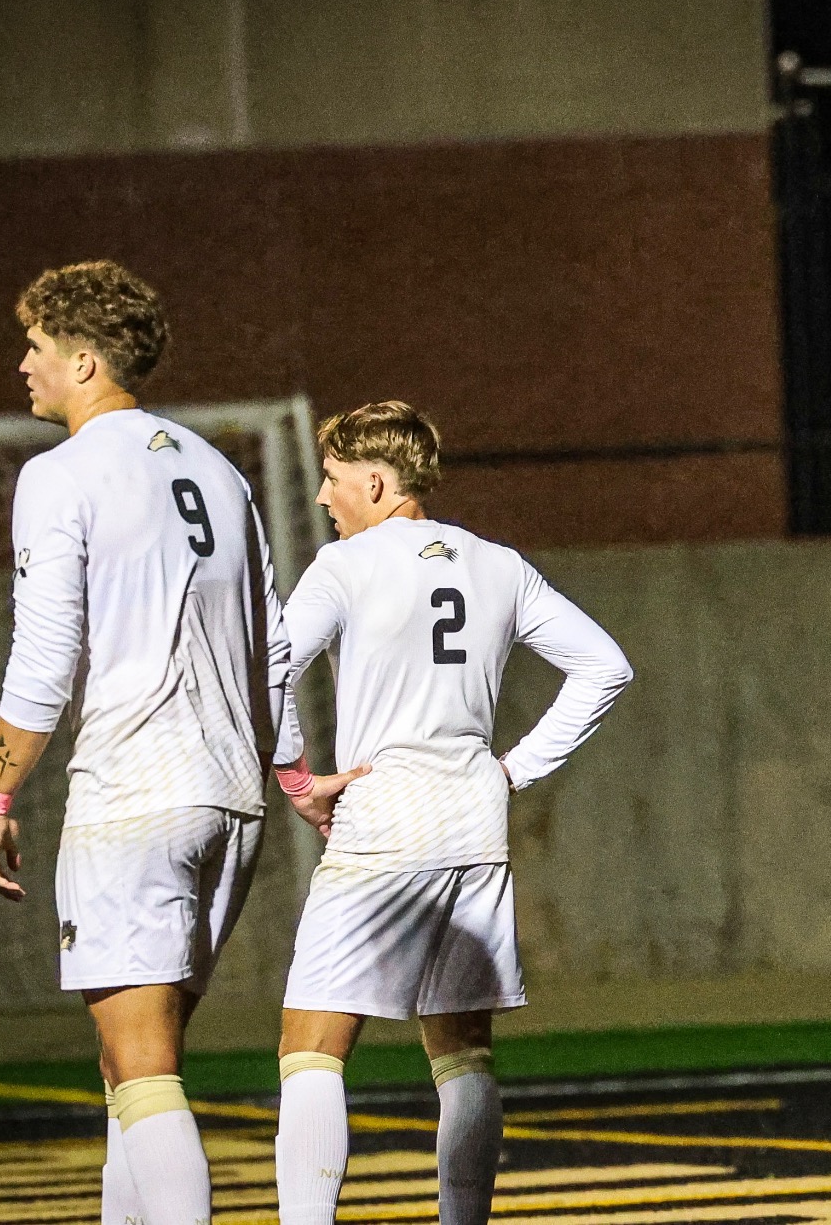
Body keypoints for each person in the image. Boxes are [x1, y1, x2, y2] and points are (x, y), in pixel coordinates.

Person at [0, 261, 345, 1225]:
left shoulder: (59, 475)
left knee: (142, 1065)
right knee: (128, 1062)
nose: (23, 365)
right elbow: (272, 637)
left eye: (38, 347)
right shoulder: (218, 469)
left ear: (84, 360)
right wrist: (295, 773)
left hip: (134, 796)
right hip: (231, 800)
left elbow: (45, 656)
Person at [267, 401, 632, 1225]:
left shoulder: (344, 565)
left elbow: (269, 672)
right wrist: (511, 771)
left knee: (310, 1048)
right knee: (462, 1052)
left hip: (382, 816)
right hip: (471, 818)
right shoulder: (498, 564)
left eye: (331, 480)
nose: (325, 498)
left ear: (374, 480)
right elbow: (605, 666)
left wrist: (298, 781)